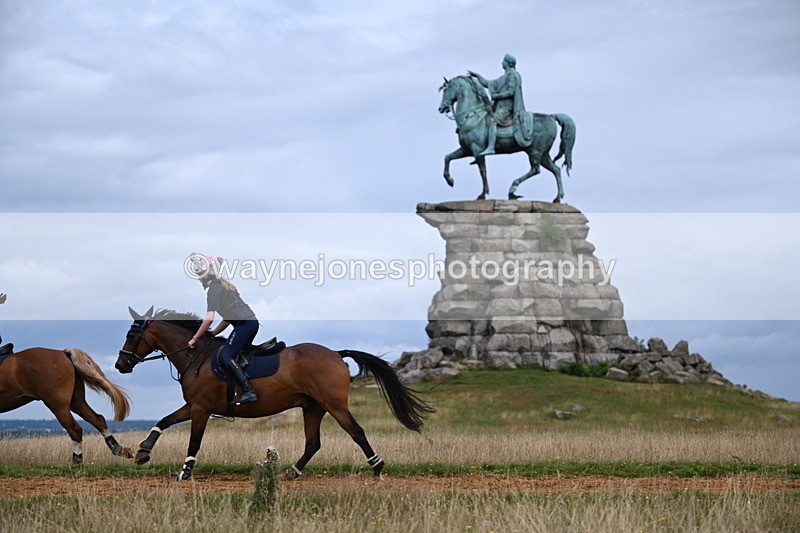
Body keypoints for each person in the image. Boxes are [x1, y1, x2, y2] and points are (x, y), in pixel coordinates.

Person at [187, 255, 259, 405]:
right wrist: (212, 334)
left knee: (226, 355)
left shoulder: (214, 289)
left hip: (244, 325)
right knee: (238, 356)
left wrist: (195, 338)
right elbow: (226, 319)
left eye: (200, 276)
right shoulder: (225, 286)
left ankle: (248, 391)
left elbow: (209, 319)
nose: (199, 279)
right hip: (251, 324)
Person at [468, 53, 531, 156]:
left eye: (503, 61)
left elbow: (511, 92)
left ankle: (491, 147)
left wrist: (497, 96)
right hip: (499, 107)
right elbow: (488, 83)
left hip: (507, 108)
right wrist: (477, 76)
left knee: (492, 121)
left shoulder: (512, 75)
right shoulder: (504, 76)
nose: (502, 63)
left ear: (508, 63)